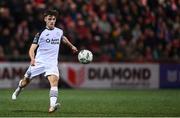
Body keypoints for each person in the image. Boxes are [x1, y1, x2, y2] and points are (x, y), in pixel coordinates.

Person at [12, 9, 78, 113]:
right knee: (25, 82)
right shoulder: (40, 33)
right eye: (49, 19)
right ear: (45, 20)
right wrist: (33, 59)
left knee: (54, 81)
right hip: (39, 62)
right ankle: (19, 88)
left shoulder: (59, 31)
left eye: (54, 19)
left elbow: (63, 38)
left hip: (52, 63)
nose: (52, 21)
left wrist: (71, 46)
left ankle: (52, 106)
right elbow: (32, 49)